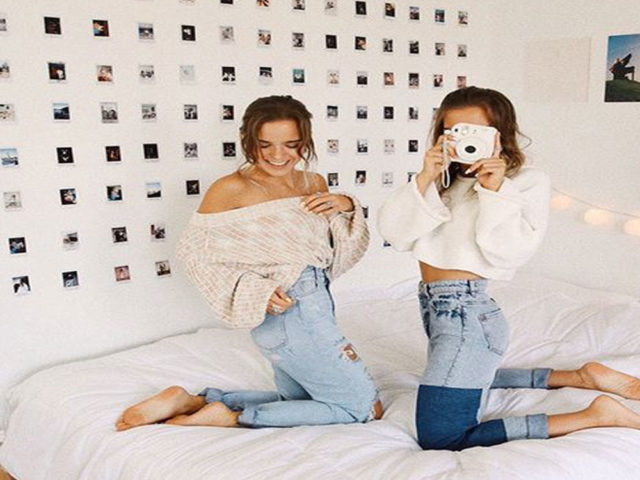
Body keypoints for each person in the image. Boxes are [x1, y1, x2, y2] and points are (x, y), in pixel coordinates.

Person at [378, 86, 640, 450]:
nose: (463, 140)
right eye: (453, 131)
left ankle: (596, 414)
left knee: (441, 437)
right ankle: (580, 377)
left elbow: (507, 253)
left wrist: (495, 189)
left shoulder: (525, 182)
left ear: (499, 134)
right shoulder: (443, 182)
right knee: (469, 378)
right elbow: (395, 234)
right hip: (435, 307)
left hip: (468, 316)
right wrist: (424, 177)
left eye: (476, 131)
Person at [116, 95, 381, 431]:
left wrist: (345, 204)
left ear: (305, 141)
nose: (278, 155)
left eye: (291, 144)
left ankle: (196, 401)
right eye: (265, 145)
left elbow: (334, 246)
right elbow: (194, 253)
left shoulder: (312, 183)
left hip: (313, 307)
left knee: (301, 402)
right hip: (291, 314)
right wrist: (255, 290)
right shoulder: (231, 189)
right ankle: (234, 417)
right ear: (247, 140)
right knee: (364, 409)